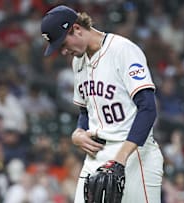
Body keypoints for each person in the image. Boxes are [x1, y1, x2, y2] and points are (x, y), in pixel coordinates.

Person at [41, 5, 163, 203]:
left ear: (77, 29)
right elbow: (85, 111)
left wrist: (120, 160)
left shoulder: (122, 50)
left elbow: (148, 109)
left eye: (63, 43)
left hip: (133, 155)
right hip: (96, 156)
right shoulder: (78, 62)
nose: (63, 51)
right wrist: (78, 133)